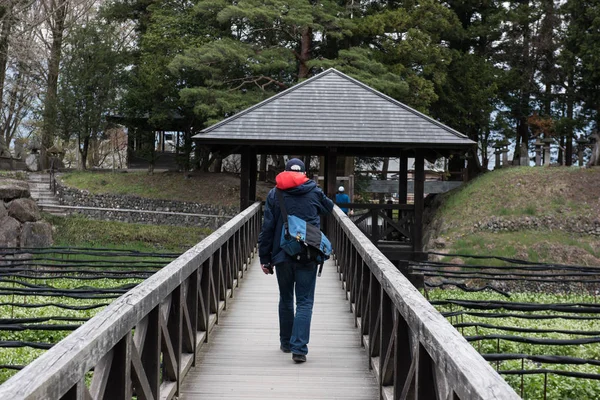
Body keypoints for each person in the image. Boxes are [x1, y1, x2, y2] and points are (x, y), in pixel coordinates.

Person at [258, 158, 334, 363]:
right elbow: (330, 208)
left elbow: (267, 229)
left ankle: (285, 342)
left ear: (284, 172)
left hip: (282, 254)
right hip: (308, 254)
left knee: (285, 298)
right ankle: (299, 348)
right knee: (304, 302)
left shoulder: (275, 194)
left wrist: (264, 258)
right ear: (304, 173)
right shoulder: (314, 191)